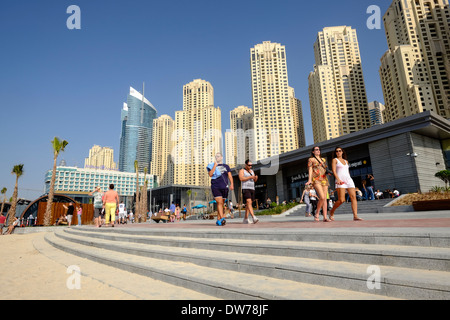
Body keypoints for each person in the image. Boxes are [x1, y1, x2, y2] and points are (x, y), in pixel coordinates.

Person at [329, 147, 363, 221]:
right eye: (337, 151)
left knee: (353, 197)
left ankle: (355, 216)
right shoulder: (335, 160)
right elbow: (334, 171)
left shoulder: (346, 161)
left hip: (349, 180)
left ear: (342, 152)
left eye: (340, 151)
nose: (338, 152)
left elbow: (347, 171)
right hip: (340, 180)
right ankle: (331, 211)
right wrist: (338, 179)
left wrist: (349, 178)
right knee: (341, 200)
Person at [207, 153, 234, 226]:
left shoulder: (226, 166)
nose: (217, 157)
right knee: (219, 202)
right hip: (216, 186)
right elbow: (210, 174)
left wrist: (232, 184)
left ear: (222, 157)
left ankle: (218, 220)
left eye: (218, 156)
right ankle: (222, 218)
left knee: (221, 203)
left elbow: (230, 176)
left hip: (224, 187)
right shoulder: (212, 165)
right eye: (216, 156)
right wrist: (215, 166)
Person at [306, 146, 331, 222]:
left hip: (324, 179)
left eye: (319, 149)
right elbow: (310, 169)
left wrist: (328, 172)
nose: (318, 151)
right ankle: (317, 213)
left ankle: (325, 217)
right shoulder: (311, 159)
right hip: (316, 179)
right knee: (322, 197)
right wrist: (310, 180)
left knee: (325, 199)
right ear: (313, 152)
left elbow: (324, 168)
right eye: (316, 150)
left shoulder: (323, 159)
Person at [239, 160, 259, 224]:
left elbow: (254, 180)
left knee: (249, 204)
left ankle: (245, 219)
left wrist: (255, 178)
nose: (250, 166)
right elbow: (241, 178)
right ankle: (253, 217)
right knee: (248, 202)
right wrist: (250, 177)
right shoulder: (242, 171)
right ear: (246, 165)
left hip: (252, 188)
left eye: (251, 165)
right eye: (249, 165)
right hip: (245, 188)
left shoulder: (252, 171)